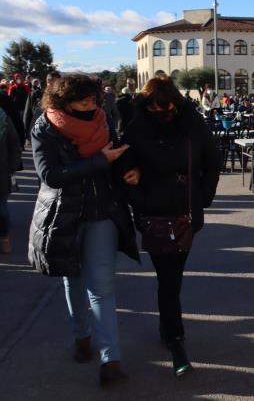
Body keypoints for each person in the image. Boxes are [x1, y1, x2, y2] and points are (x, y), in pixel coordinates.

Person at [28, 74, 139, 387]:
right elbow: (50, 175)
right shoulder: (45, 127)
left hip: (103, 212)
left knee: (101, 286)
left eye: (94, 100)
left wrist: (130, 170)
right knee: (73, 278)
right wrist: (99, 161)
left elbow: (115, 157)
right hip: (64, 215)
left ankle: (111, 360)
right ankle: (82, 336)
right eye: (83, 101)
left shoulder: (103, 121)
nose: (91, 106)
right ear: (64, 102)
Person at [120, 78, 220, 377]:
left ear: (175, 101)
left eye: (165, 105)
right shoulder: (136, 129)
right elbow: (123, 171)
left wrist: (203, 198)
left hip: (187, 212)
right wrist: (139, 196)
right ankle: (175, 337)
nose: (160, 110)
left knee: (174, 275)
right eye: (153, 106)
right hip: (154, 215)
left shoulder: (193, 125)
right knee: (168, 278)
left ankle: (169, 328)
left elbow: (212, 163)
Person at [0, 108, 21, 253]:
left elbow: (14, 143)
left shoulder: (2, 118)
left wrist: (12, 166)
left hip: (1, 171)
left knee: (2, 211)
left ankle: (4, 237)